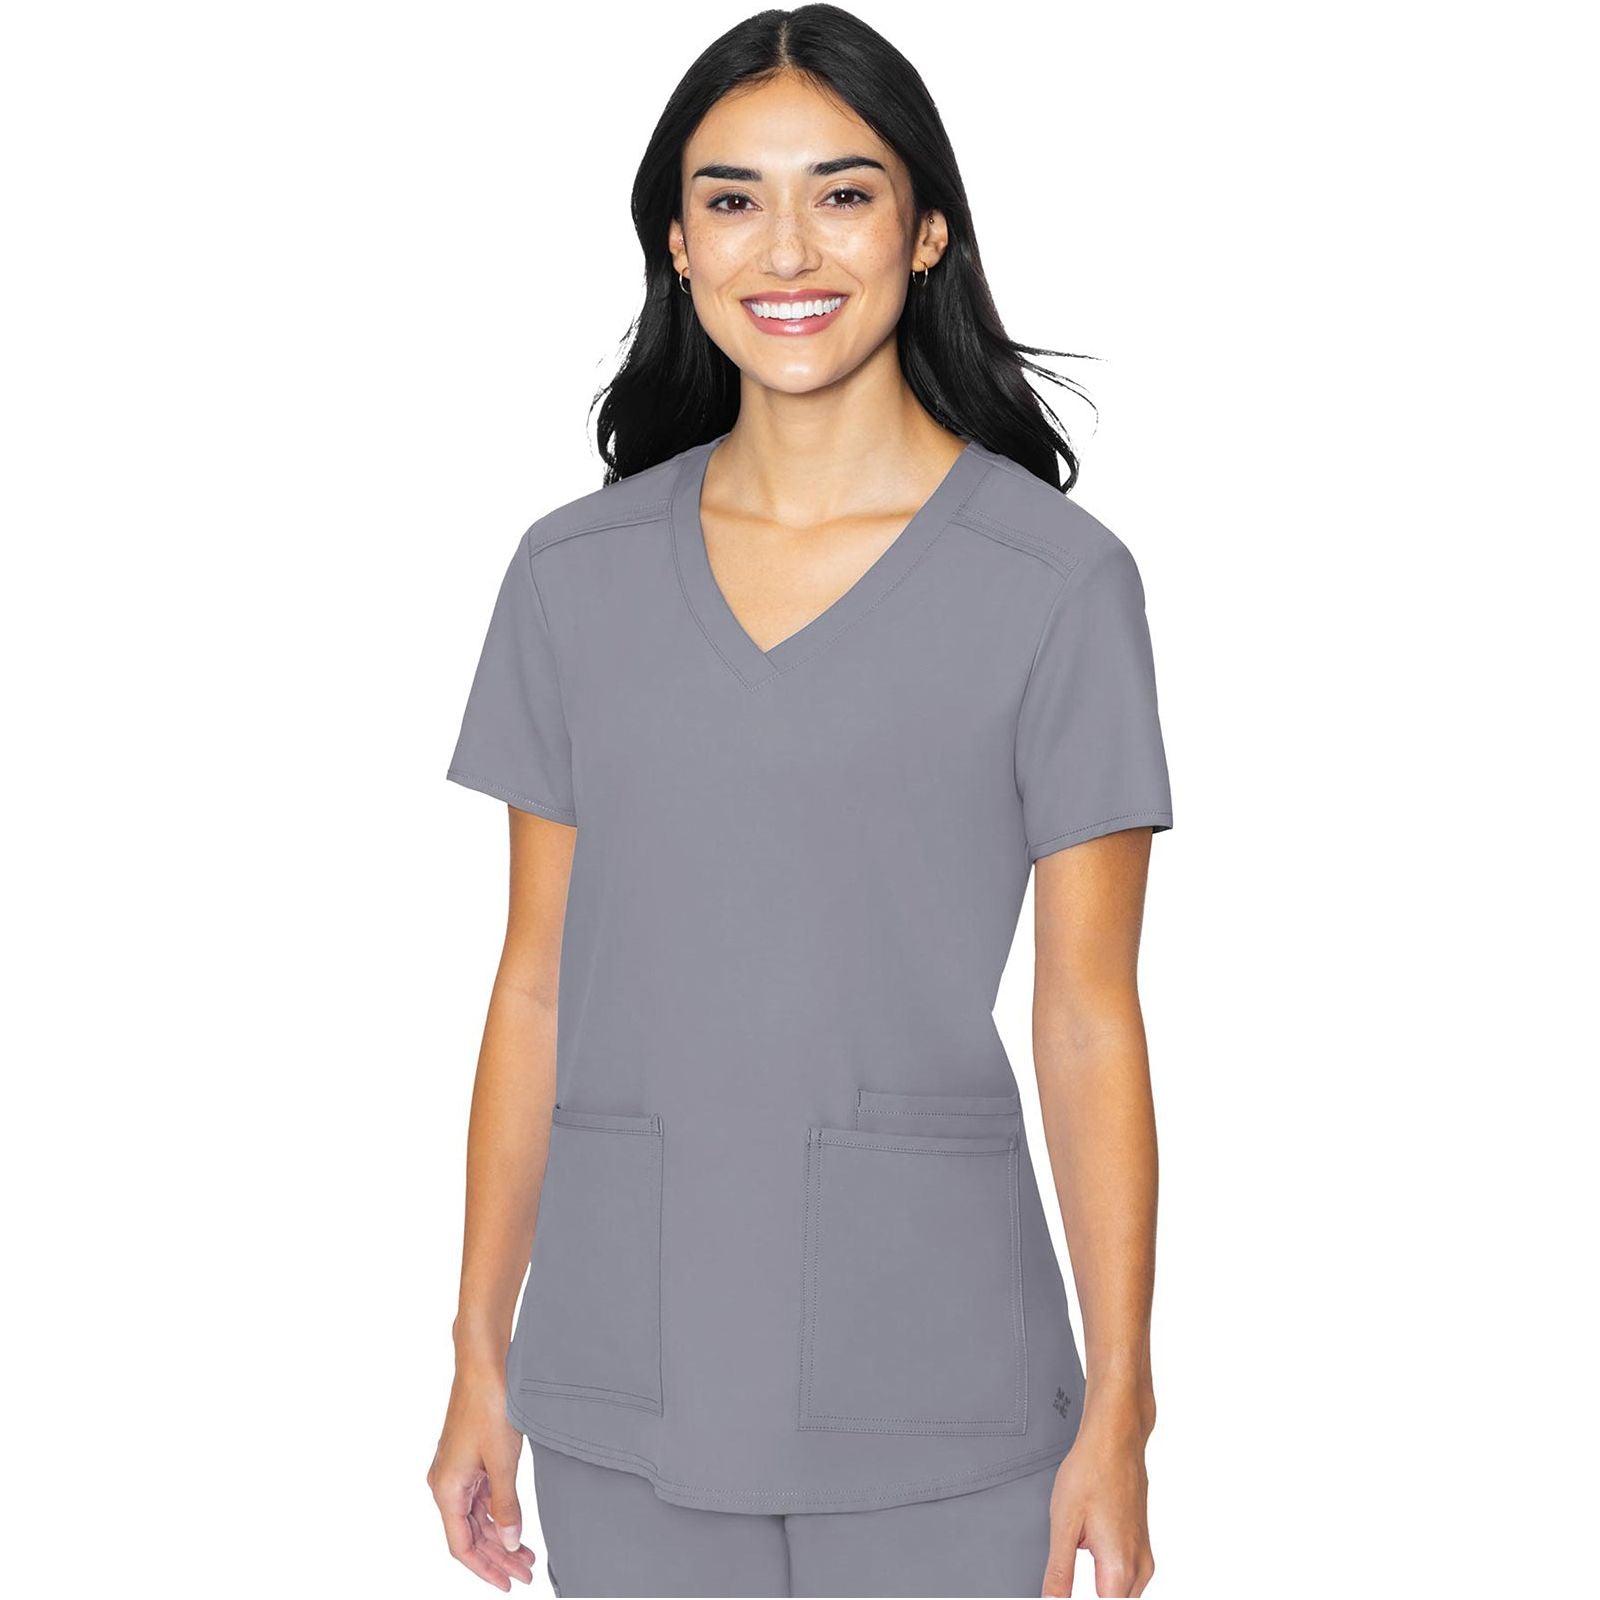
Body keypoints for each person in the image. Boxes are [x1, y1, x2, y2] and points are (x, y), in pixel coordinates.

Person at [426, 6, 1173, 1596]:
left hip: (939, 1382)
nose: (787, 248)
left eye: (842, 193)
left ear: (925, 233)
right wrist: (478, 1349)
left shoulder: (1054, 585)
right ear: (678, 246)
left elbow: (1087, 1015)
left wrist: (1123, 1402)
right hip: (628, 1367)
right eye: (731, 199)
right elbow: (537, 981)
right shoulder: (571, 578)